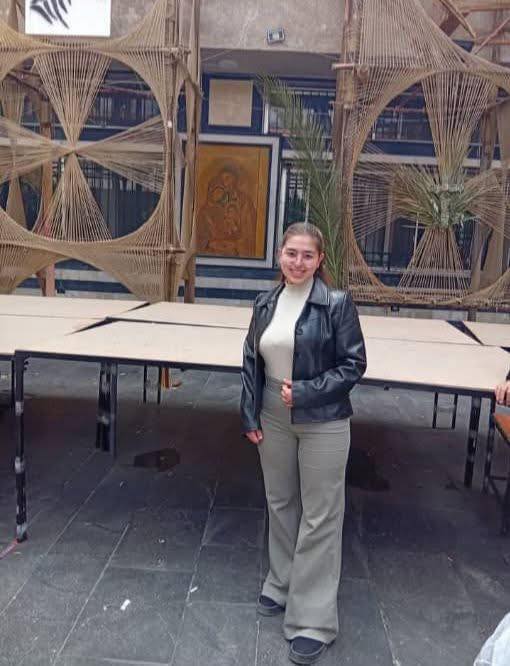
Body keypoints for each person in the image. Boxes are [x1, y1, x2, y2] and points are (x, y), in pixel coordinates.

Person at [240, 222, 367, 664]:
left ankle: (313, 619)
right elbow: (250, 361)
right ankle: (282, 582)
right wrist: (250, 412)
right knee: (280, 501)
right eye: (291, 253)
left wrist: (309, 391)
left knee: (320, 513)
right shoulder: (265, 303)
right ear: (279, 255)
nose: (297, 262)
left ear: (320, 260)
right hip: (272, 413)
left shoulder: (336, 304)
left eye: (307, 255)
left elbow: (354, 364)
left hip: (323, 417)